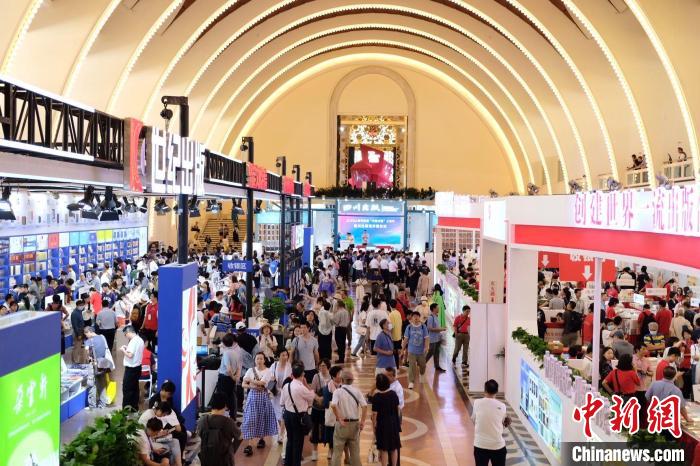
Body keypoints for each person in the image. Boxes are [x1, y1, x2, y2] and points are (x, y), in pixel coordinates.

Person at [241, 353, 278, 456]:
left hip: (263, 398)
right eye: (257, 359)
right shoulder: (250, 370)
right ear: (255, 360)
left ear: (264, 360)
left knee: (262, 418)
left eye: (261, 359)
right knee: (250, 419)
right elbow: (243, 384)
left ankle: (261, 439)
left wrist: (250, 380)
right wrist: (252, 386)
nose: (259, 360)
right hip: (252, 397)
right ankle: (249, 445)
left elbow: (262, 383)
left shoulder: (268, 371)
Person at [280, 363, 316, 466]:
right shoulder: (301, 388)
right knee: (298, 442)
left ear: (292, 374)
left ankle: (288, 463)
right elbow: (311, 397)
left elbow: (281, 402)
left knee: (290, 440)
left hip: (287, 415)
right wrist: (307, 385)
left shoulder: (286, 386)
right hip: (298, 417)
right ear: (302, 374)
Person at [328, 370, 367, 466]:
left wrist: (339, 418)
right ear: (352, 380)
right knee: (355, 454)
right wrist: (362, 422)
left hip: (342, 425)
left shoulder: (337, 392)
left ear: (342, 380)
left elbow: (333, 405)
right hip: (354, 424)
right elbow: (365, 406)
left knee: (337, 453)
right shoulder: (357, 391)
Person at [197, 392, 242, 466]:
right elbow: (239, 436)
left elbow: (199, 435)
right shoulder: (228, 422)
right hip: (225, 460)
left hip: (206, 458)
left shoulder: (202, 420)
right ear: (225, 406)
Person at [472, 379, 508, 466]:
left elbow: (474, 419)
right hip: (497, 446)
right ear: (497, 391)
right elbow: (503, 424)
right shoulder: (502, 406)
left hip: (480, 445)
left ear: (485, 390)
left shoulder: (477, 403)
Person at [372, 373, 401, 466]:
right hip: (393, 424)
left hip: (382, 425)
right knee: (394, 447)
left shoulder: (376, 397)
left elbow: (374, 414)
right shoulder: (393, 394)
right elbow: (398, 409)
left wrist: (374, 427)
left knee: (383, 448)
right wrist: (397, 422)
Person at [270, 349, 292, 446]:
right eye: (283, 355)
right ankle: (282, 431)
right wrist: (272, 378)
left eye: (286, 355)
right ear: (278, 356)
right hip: (276, 393)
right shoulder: (274, 365)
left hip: (285, 393)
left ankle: (281, 434)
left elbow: (291, 379)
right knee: (278, 413)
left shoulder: (289, 366)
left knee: (283, 413)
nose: (285, 357)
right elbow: (270, 377)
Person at [402, 311, 429, 390]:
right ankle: (411, 381)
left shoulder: (423, 327)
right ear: (412, 318)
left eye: (417, 316)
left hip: (421, 351)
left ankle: (422, 374)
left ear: (419, 317)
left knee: (423, 365)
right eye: (414, 316)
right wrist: (403, 349)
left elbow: (426, 338)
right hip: (411, 351)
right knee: (412, 366)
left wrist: (426, 347)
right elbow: (406, 339)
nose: (416, 318)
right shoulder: (409, 327)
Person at [120, 325, 144, 410]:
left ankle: (126, 410)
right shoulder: (140, 340)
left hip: (131, 369)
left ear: (129, 332)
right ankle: (134, 408)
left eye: (125, 334)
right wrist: (127, 348)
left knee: (127, 389)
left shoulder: (133, 341)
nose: (125, 336)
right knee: (135, 389)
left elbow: (130, 355)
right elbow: (135, 352)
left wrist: (123, 350)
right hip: (138, 367)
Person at [217, 333, 241, 418]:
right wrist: (236, 377)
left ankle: (222, 417)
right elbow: (238, 367)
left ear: (224, 342)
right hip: (231, 379)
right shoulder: (236, 353)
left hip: (225, 378)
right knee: (232, 398)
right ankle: (232, 417)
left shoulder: (226, 353)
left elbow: (228, 369)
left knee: (222, 398)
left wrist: (233, 377)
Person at [426, 303, 446, 372]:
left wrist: (440, 330)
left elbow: (436, 327)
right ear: (434, 309)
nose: (438, 309)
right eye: (437, 308)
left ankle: (437, 366)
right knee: (431, 352)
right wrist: (441, 329)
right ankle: (423, 364)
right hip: (433, 339)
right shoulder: (430, 317)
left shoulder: (436, 316)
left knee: (437, 353)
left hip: (438, 338)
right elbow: (430, 328)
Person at [333, 299, 350, 363]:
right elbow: (348, 320)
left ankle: (341, 359)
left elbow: (336, 322)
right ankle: (342, 357)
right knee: (343, 343)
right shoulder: (346, 311)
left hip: (339, 329)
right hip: (344, 328)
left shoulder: (339, 312)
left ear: (338, 305)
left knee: (339, 344)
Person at [388, 300, 404, 368]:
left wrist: (389, 336)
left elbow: (391, 327)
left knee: (394, 353)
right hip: (399, 335)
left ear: (390, 305)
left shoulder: (391, 314)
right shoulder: (398, 313)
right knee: (397, 352)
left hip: (393, 337)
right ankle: (397, 365)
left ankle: (395, 366)